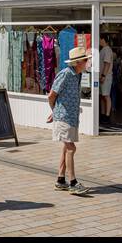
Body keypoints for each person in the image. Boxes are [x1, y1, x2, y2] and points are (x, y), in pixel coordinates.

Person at [47, 45, 91, 196]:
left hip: (72, 118)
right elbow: (51, 95)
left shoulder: (78, 75)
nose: (87, 62)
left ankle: (60, 180)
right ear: (78, 62)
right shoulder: (65, 74)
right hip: (63, 117)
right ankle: (73, 183)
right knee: (71, 148)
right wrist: (55, 112)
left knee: (66, 148)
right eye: (85, 60)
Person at [98, 36, 114, 122]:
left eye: (100, 39)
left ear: (103, 39)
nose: (99, 41)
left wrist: (103, 75)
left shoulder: (107, 50)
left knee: (106, 95)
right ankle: (103, 114)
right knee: (102, 96)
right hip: (102, 76)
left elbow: (107, 63)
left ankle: (107, 115)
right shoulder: (103, 49)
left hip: (106, 76)